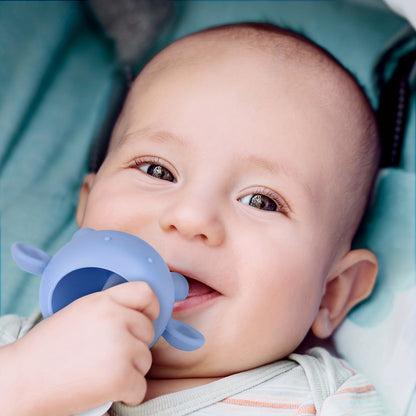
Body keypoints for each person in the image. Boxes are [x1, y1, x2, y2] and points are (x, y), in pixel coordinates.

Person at [0, 22, 386, 415]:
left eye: (260, 201)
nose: (190, 217)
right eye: (156, 171)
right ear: (87, 205)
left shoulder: (323, 402)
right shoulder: (14, 349)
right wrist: (18, 385)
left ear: (332, 292)